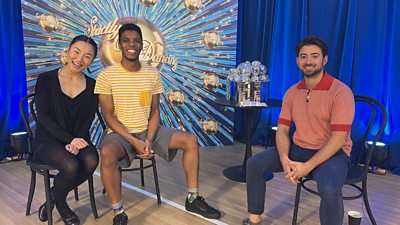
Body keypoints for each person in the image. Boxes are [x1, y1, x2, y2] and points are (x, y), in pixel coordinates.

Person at [94, 23, 221, 225]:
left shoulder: (152, 73)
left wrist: (149, 140)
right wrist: (134, 142)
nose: (131, 45)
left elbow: (155, 112)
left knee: (190, 140)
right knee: (107, 153)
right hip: (120, 134)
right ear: (119, 44)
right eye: (126, 40)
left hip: (148, 131)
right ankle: (118, 212)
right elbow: (108, 116)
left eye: (136, 41)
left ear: (142, 45)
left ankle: (193, 198)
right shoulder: (106, 75)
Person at [242, 36, 355, 225]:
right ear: (297, 61)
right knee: (254, 164)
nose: (308, 61)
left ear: (324, 60)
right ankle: (254, 219)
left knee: (327, 187)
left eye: (314, 56)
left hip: (333, 153)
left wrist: (307, 167)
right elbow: (282, 130)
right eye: (303, 57)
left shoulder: (341, 92)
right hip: (300, 148)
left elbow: (338, 139)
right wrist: (285, 158)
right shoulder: (292, 92)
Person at [33, 35, 99, 225]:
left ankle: (53, 195)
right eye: (76, 52)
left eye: (87, 56)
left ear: (92, 60)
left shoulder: (92, 86)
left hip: (78, 138)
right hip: (48, 140)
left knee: (91, 160)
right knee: (71, 165)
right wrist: (69, 140)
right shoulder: (46, 79)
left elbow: (88, 118)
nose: (79, 59)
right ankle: (63, 206)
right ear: (68, 51)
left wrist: (77, 140)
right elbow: (43, 118)